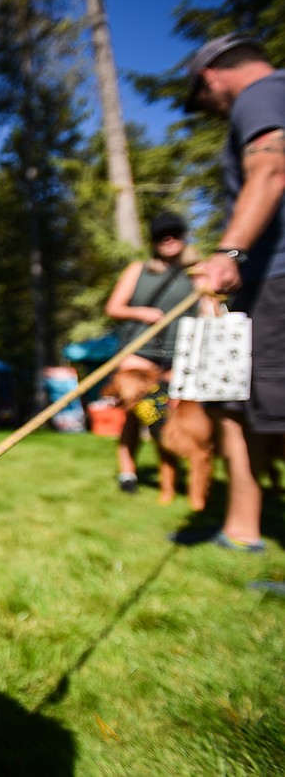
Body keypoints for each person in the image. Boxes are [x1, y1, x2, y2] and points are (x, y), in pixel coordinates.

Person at [179, 34, 285, 553]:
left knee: (272, 407)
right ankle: (242, 528)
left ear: (211, 76)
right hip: (263, 284)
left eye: (204, 101)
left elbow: (270, 169)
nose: (213, 110)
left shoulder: (262, 94)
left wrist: (231, 253)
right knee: (237, 406)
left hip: (274, 278)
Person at [104, 211, 199, 493]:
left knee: (171, 414)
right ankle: (128, 473)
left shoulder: (197, 272)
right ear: (154, 242)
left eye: (174, 233)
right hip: (140, 351)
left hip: (178, 354)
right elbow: (113, 307)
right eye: (161, 236)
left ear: (183, 236)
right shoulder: (139, 270)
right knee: (138, 413)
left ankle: (172, 472)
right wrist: (141, 312)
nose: (168, 240)